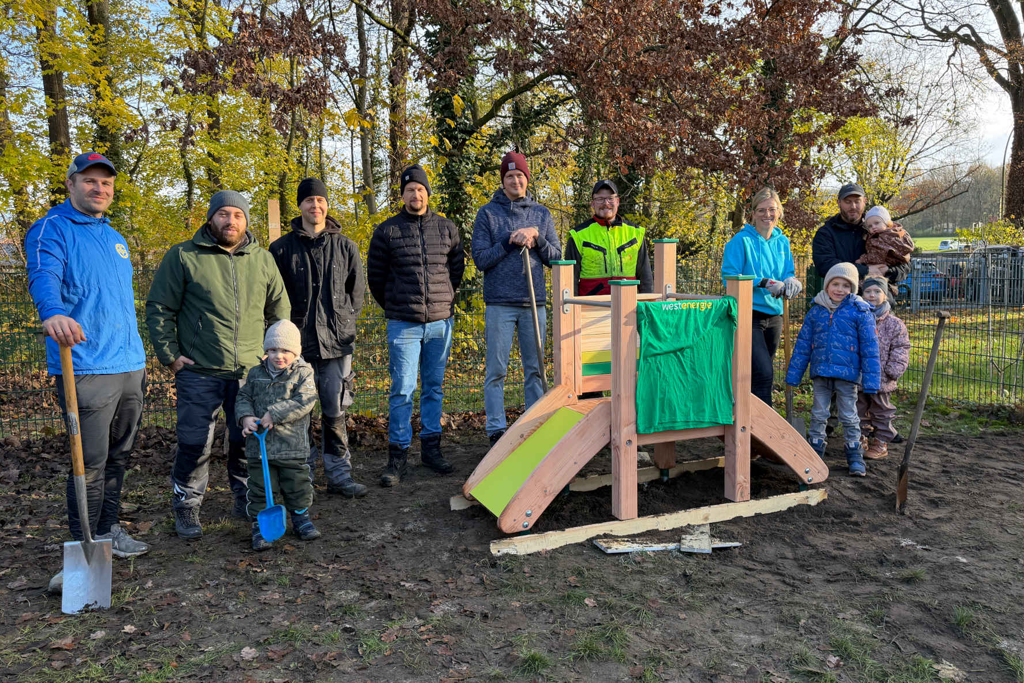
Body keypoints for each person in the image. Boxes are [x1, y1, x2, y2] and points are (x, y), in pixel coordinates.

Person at [26, 152, 150, 592]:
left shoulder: (115, 237)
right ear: (71, 183)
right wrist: (53, 311)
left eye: (106, 184)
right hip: (86, 366)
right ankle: (84, 544)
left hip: (129, 364)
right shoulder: (51, 229)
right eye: (91, 181)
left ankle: (109, 530)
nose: (100, 189)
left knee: (120, 456)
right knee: (89, 463)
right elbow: (43, 275)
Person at [146, 191, 290, 539]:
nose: (230, 221)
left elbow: (279, 310)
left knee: (247, 438)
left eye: (237, 215)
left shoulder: (262, 259)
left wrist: (274, 352)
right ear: (211, 218)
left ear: (246, 220)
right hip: (199, 370)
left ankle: (244, 497)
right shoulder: (183, 256)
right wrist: (170, 355)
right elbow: (159, 307)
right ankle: (187, 504)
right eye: (223, 214)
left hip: (250, 373)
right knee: (195, 442)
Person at [366, 164, 465, 486]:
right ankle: (398, 457)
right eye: (410, 190)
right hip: (403, 325)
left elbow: (456, 270)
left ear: (427, 193)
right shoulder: (387, 231)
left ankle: (431, 450)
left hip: (440, 323)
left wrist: (443, 302)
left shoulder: (447, 229)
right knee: (402, 391)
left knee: (433, 389)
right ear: (402, 195)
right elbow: (376, 279)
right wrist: (398, 306)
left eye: (420, 189)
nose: (415, 194)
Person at [269, 178, 367, 499]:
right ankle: (302, 477)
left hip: (336, 345)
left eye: (320, 200)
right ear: (299, 206)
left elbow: (357, 294)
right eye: (309, 200)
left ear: (327, 205)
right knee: (298, 413)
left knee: (334, 411)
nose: (315, 206)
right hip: (295, 348)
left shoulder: (347, 247)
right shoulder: (281, 250)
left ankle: (339, 474)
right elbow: (273, 298)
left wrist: (344, 326)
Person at [472, 151, 561, 447]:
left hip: (534, 304)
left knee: (534, 369)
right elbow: (481, 259)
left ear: (526, 179)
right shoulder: (487, 214)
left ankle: (532, 425)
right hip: (499, 304)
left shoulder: (542, 214)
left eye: (520, 175)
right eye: (509, 176)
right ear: (502, 180)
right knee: (496, 370)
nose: (515, 180)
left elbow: (557, 259)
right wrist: (508, 241)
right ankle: (496, 430)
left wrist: (538, 239)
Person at [785, 263, 880, 477]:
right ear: (827, 285)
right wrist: (793, 375)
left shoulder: (860, 311)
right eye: (835, 284)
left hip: (847, 376)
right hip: (821, 373)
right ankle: (816, 451)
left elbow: (870, 348)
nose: (839, 289)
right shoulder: (816, 311)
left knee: (849, 416)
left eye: (845, 285)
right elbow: (802, 346)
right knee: (819, 414)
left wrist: (872, 381)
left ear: (853, 288)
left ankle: (854, 456)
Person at [236, 320, 320, 550]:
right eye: (272, 350)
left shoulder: (303, 374)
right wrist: (245, 417)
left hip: (291, 446)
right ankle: (259, 527)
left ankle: (301, 519)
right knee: (260, 487)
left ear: (296, 352)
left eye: (285, 351)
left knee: (298, 485)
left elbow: (305, 401)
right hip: (259, 447)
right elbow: (243, 397)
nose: (278, 356)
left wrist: (274, 413)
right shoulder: (255, 374)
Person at [720, 187, 802, 407]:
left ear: (779, 212)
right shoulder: (741, 241)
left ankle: (748, 421)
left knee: (759, 374)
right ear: (753, 213)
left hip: (775, 314)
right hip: (749, 314)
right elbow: (729, 276)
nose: (767, 215)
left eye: (772, 210)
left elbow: (787, 272)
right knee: (764, 374)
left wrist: (791, 280)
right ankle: (762, 433)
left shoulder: (782, 241)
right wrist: (764, 282)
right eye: (762, 210)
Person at [564, 179, 653, 295]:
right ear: (592, 203)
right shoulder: (578, 235)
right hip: (590, 307)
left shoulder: (635, 233)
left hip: (628, 305)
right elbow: (570, 280)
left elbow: (645, 277)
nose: (606, 203)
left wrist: (646, 306)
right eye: (600, 199)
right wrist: (573, 309)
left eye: (610, 198)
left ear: (617, 201)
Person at [812, 183, 911, 284]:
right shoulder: (825, 233)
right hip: (842, 295)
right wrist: (865, 271)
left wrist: (887, 271)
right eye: (848, 202)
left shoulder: (882, 228)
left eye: (857, 201)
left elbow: (905, 265)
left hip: (879, 294)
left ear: (864, 201)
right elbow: (824, 265)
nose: (853, 206)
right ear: (839, 203)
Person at [858, 276, 911, 460]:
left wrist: (893, 370)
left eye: (877, 291)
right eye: (868, 291)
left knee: (881, 410)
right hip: (858, 376)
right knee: (858, 409)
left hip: (882, 377)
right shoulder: (857, 318)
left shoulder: (894, 324)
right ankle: (861, 438)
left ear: (886, 295)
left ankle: (881, 442)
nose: (872, 295)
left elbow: (901, 348)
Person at [856, 206, 915, 274]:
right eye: (870, 226)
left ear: (887, 223)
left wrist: (862, 260)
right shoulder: (897, 233)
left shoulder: (884, 237)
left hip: (881, 268)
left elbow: (877, 255)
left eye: (877, 223)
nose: (873, 227)